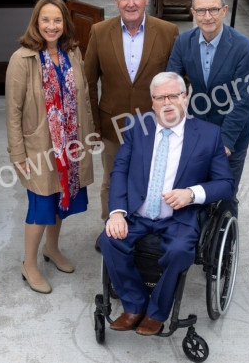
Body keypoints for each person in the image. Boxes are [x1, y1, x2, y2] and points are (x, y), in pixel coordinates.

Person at [99, 72, 234, 335]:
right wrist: (116, 213)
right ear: (152, 103)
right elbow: (120, 171)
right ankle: (135, 304)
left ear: (185, 98)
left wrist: (191, 194)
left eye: (174, 95)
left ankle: (157, 312)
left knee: (180, 251)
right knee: (110, 240)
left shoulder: (208, 135)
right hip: (136, 215)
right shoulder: (137, 127)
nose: (167, 102)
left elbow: (226, 184)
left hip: (178, 217)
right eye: (160, 97)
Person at [5, 0, 95, 294]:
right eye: (46, 20)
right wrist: (17, 152)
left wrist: (90, 133)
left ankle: (52, 249)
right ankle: (29, 263)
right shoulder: (22, 59)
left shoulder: (73, 52)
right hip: (39, 148)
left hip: (71, 144)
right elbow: (13, 110)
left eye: (57, 20)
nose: (52, 26)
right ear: (36, 23)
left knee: (62, 198)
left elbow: (83, 98)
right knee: (41, 206)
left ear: (65, 23)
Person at [84, 0, 179, 238]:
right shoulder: (100, 32)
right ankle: (110, 230)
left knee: (154, 178)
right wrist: (93, 124)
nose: (131, 3)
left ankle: (147, 230)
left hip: (155, 125)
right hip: (113, 125)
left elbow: (178, 80)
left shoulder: (168, 32)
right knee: (112, 181)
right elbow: (89, 81)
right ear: (116, 0)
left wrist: (172, 118)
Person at [166, 0, 249, 216]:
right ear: (193, 12)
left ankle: (226, 246)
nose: (208, 17)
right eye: (201, 10)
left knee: (225, 195)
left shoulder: (243, 47)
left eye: (213, 10)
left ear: (224, 10)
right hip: (198, 131)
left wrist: (225, 142)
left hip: (233, 136)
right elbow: (173, 85)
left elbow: (242, 99)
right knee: (196, 192)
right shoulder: (184, 42)